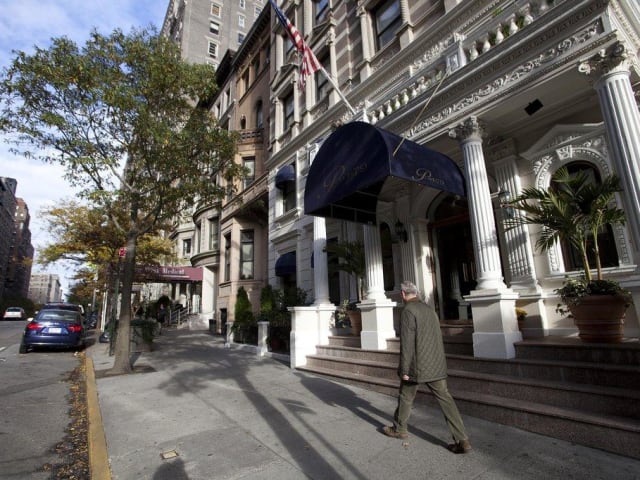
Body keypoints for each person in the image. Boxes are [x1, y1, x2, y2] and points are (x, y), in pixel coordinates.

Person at [382, 280, 472, 454]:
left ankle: (399, 429)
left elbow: (407, 344)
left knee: (406, 396)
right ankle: (463, 440)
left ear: (403, 294)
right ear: (416, 293)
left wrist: (404, 369)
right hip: (435, 364)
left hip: (417, 365)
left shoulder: (408, 311)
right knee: (446, 399)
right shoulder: (430, 310)